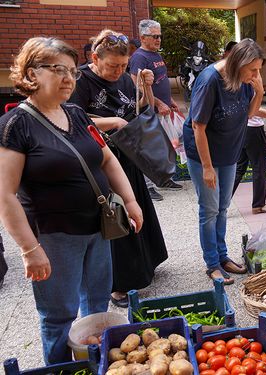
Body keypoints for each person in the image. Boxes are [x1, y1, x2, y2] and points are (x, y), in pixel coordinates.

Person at [0, 37, 142, 364]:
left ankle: (92, 364)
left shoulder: (77, 113)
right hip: (54, 237)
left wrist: (131, 201)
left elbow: (107, 159)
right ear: (31, 73)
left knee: (96, 308)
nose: (67, 78)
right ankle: (60, 368)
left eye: (71, 71)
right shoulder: (15, 126)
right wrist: (29, 250)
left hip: (99, 228)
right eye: (57, 69)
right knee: (58, 316)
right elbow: (5, 195)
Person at [70, 29, 169, 307]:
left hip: (126, 154)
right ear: (95, 58)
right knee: (115, 217)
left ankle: (146, 265)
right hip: (98, 159)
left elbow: (138, 109)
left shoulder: (125, 78)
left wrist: (146, 87)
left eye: (123, 66)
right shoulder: (80, 80)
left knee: (137, 208)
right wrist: (111, 121)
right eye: (113, 65)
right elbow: (71, 118)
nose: (118, 71)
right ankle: (118, 285)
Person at [183, 38, 265, 284]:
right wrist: (207, 168)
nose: (256, 74)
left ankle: (222, 255)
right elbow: (198, 126)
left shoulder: (245, 80)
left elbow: (247, 114)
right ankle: (212, 264)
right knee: (209, 210)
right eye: (253, 70)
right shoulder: (210, 80)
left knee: (222, 208)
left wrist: (259, 91)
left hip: (228, 151)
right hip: (204, 153)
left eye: (258, 69)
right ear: (238, 63)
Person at [129, 19, 183, 200]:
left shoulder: (156, 56)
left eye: (160, 36)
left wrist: (170, 99)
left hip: (163, 110)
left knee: (167, 146)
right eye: (154, 36)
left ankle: (165, 179)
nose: (159, 40)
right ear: (143, 37)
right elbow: (136, 85)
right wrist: (159, 103)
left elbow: (160, 80)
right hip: (150, 111)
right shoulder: (139, 57)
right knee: (151, 149)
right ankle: (148, 186)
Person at [232, 109, 266, 214]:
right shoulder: (252, 91)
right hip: (254, 130)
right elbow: (253, 109)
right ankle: (259, 205)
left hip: (241, 128)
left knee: (240, 168)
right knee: (259, 167)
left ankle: (221, 202)